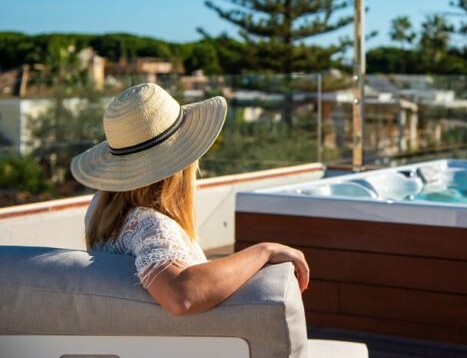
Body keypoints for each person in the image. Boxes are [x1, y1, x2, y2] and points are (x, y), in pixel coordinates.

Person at [71, 83, 310, 316]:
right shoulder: (148, 225)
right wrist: (264, 251)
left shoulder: (100, 212)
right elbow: (181, 295)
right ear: (180, 166)